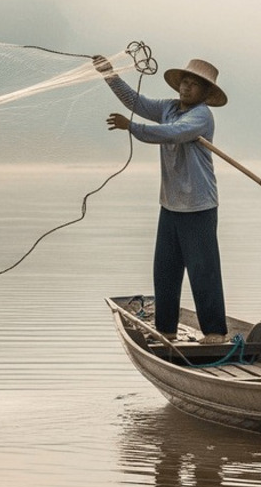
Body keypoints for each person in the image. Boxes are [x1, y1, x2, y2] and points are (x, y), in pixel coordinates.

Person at [92, 54, 229, 344]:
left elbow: (171, 134)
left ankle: (215, 333)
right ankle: (166, 328)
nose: (186, 88)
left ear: (206, 93)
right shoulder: (168, 107)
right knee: (165, 268)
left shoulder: (201, 116)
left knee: (203, 270)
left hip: (199, 206)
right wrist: (110, 75)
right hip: (170, 204)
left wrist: (132, 127)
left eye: (194, 85)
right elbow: (136, 102)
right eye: (185, 83)